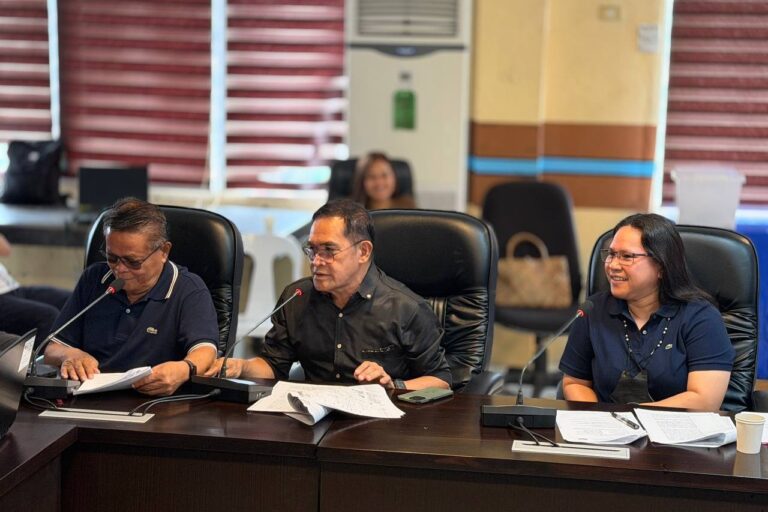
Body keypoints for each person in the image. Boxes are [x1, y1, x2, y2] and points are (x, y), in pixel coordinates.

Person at [206, 199, 451, 390]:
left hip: (381, 426)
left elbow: (441, 380)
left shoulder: (406, 308)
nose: (316, 262)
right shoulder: (297, 296)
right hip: (312, 420)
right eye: (312, 250)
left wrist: (393, 386)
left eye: (329, 251)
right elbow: (273, 365)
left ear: (363, 252)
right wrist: (241, 366)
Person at [44, 198, 220, 396]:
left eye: (132, 261)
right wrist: (70, 354)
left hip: (154, 403)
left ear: (163, 251)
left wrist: (184, 369)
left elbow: (206, 352)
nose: (119, 269)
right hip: (89, 398)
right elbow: (51, 349)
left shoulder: (188, 289)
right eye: (112, 258)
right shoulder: (95, 279)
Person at [559, 213, 734, 411]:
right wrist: (601, 420)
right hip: (607, 434)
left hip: (678, 435)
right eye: (611, 254)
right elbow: (575, 383)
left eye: (626, 256)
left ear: (661, 266)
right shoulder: (593, 310)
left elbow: (704, 400)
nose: (613, 265)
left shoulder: (700, 317)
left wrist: (633, 419)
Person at [0, 233, 70, 348]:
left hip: (13, 288)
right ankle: (40, 364)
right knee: (48, 316)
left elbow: (5, 249)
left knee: (69, 300)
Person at [350, 152, 416, 210]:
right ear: (362, 181)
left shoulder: (408, 207)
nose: (379, 183)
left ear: (394, 177)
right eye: (371, 177)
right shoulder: (352, 213)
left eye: (384, 175)